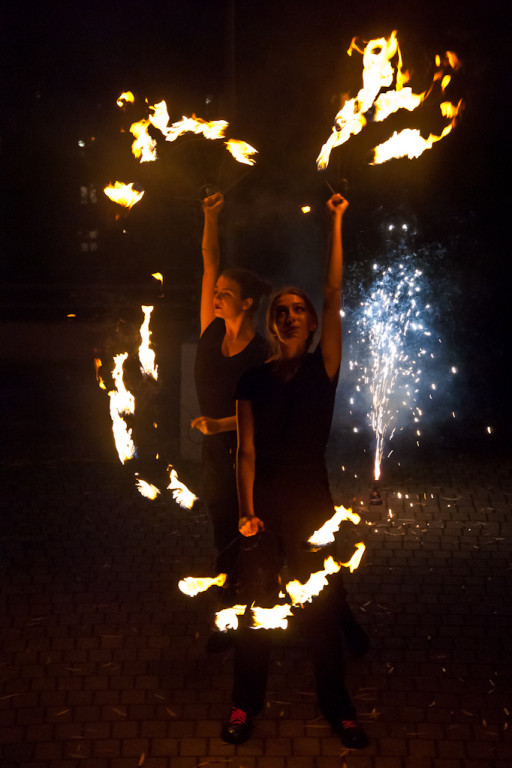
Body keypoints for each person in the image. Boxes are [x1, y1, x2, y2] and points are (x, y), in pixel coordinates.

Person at [221, 193, 368, 749]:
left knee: (320, 613)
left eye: (297, 309)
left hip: (312, 504)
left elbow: (333, 293)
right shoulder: (252, 381)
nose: (288, 315)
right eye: (280, 310)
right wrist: (246, 515)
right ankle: (243, 706)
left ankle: (339, 708)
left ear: (308, 323)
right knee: (254, 611)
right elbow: (246, 453)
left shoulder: (322, 367)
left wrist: (335, 221)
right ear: (271, 321)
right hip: (264, 510)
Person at [192, 191, 272, 591]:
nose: (216, 296)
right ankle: (227, 605)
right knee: (222, 534)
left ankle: (267, 602)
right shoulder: (210, 331)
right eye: (216, 291)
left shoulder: (261, 354)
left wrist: (219, 424)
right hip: (214, 457)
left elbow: (265, 414)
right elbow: (210, 263)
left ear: (247, 302)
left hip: (251, 458)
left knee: (256, 535)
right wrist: (210, 217)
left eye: (225, 293)